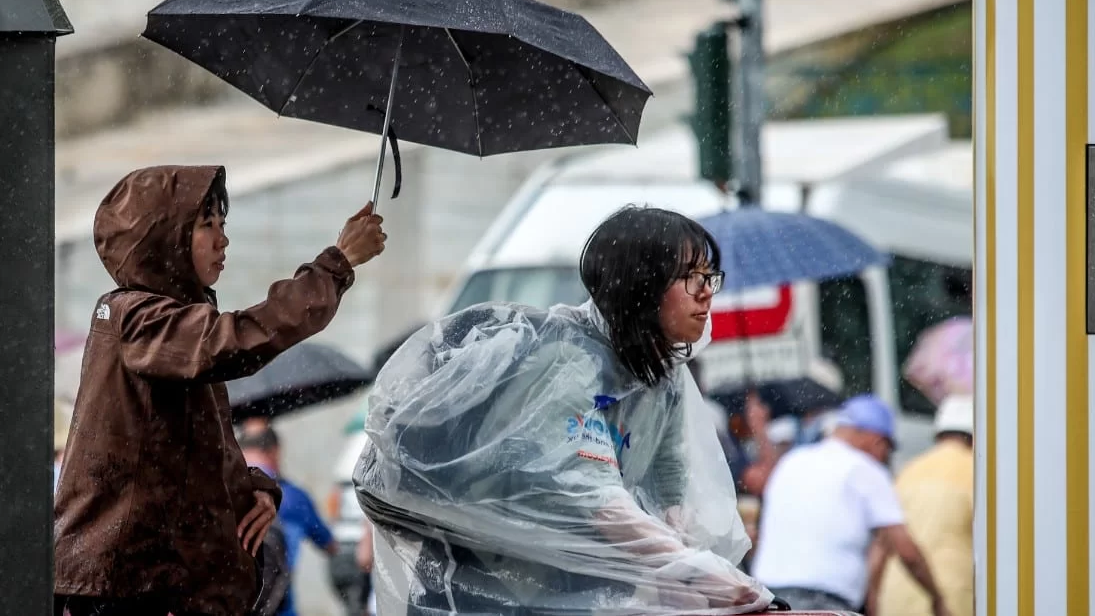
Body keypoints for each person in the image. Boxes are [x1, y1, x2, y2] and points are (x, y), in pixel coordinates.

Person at [354, 205, 773, 615]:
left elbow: (668, 497)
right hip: (480, 596)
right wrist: (700, 575)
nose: (706, 291)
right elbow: (594, 499)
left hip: (566, 594)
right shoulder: (565, 362)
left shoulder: (664, 379)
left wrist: (691, 580)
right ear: (641, 284)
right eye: (689, 276)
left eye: (708, 277)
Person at [53, 165, 386, 616]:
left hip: (161, 589)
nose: (222, 239)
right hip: (123, 592)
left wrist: (257, 490)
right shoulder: (139, 320)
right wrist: (339, 262)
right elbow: (241, 339)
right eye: (206, 225)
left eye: (222, 224)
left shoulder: (173, 328)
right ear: (164, 240)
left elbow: (188, 455)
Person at [751, 395, 950, 616]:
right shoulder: (866, 470)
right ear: (877, 440)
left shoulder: (792, 460)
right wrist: (937, 597)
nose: (886, 456)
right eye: (888, 448)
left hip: (769, 599)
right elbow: (905, 549)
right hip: (825, 602)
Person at [873, 394, 974, 616]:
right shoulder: (978, 473)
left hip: (895, 599)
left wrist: (873, 601)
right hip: (951, 599)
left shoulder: (908, 471)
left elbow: (881, 547)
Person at [237, 421, 339, 616]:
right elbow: (329, 545)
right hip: (277, 605)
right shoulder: (292, 495)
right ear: (274, 450)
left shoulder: (219, 492)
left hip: (229, 604)